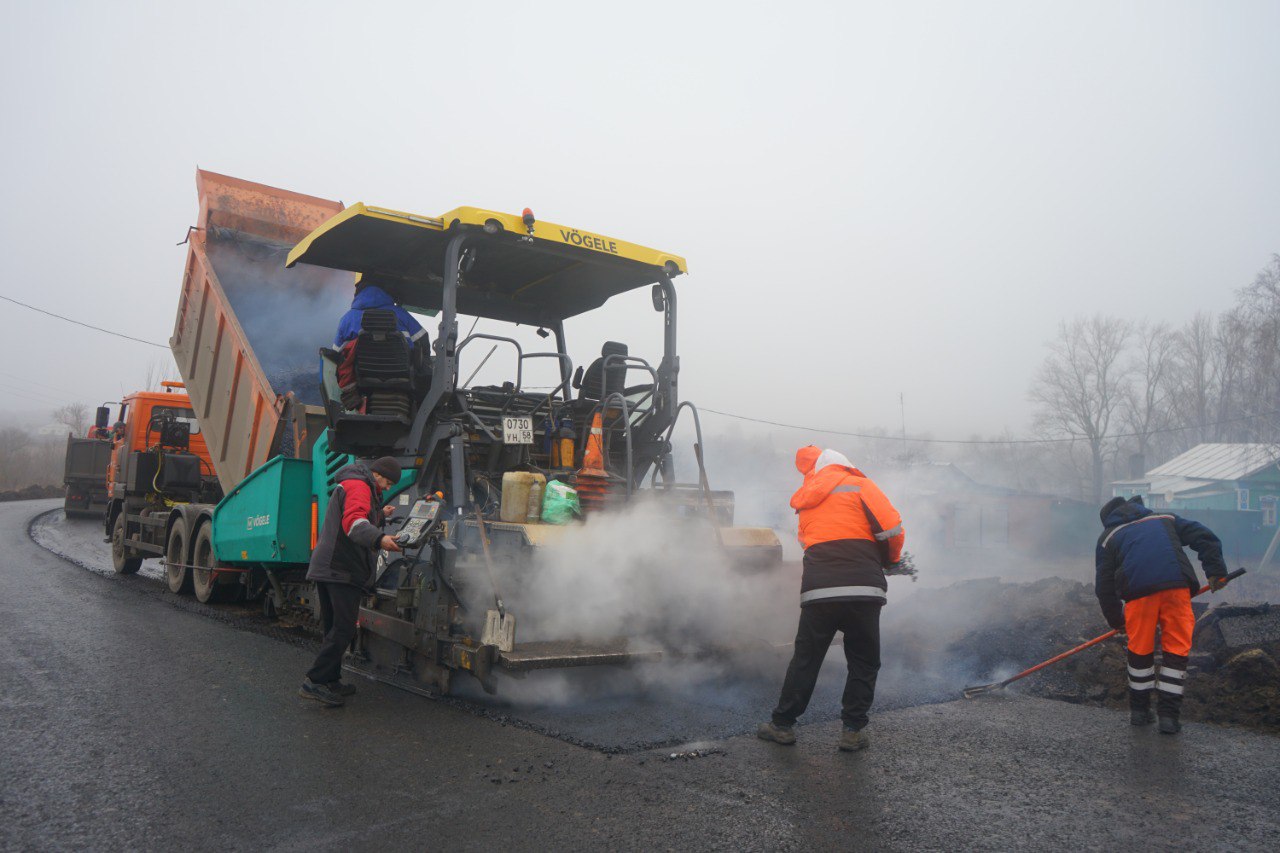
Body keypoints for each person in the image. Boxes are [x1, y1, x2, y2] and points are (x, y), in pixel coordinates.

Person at [758, 446, 905, 752]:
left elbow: (807, 542)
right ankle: (852, 732)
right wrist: (890, 561)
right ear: (845, 465)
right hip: (864, 590)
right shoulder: (861, 485)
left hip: (819, 591)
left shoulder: (807, 498)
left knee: (806, 659)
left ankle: (782, 725)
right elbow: (892, 530)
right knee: (863, 660)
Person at [1095, 495, 1227, 734]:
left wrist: (1117, 620)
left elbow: (1104, 586)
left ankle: (1139, 712)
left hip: (1138, 595)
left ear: (1108, 519)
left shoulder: (1108, 537)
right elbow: (1204, 536)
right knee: (1176, 650)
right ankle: (1168, 718)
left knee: (1140, 650)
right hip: (1176, 587)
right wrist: (1216, 572)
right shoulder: (1164, 519)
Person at [298, 456, 403, 706]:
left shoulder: (355, 484)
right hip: (340, 569)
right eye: (388, 483)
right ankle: (314, 681)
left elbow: (360, 515)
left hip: (330, 566)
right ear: (377, 474)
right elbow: (355, 523)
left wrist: (380, 514)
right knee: (344, 628)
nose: (388, 488)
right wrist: (380, 539)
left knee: (334, 627)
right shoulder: (359, 485)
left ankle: (330, 679)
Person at [334, 278, 427, 347]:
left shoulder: (347, 319)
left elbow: (336, 353)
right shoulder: (400, 313)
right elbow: (422, 339)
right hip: (401, 367)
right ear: (383, 292)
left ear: (358, 294)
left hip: (360, 368)